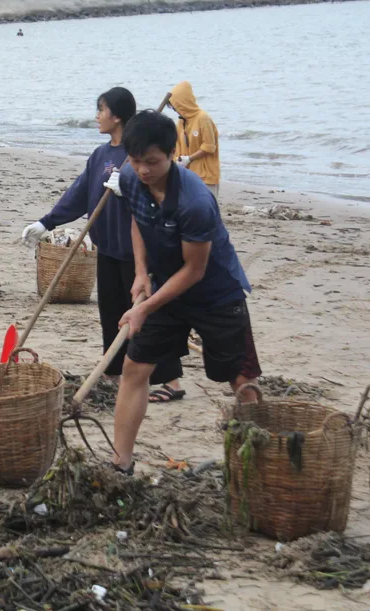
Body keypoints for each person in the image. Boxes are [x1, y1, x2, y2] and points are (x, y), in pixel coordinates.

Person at [104, 110, 261, 474]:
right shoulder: (130, 178)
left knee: (237, 375)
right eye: (136, 160)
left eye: (153, 162)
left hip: (215, 293)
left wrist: (144, 308)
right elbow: (138, 222)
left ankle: (257, 461)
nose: (143, 170)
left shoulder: (195, 202)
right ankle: (120, 462)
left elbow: (195, 270)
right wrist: (142, 273)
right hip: (164, 288)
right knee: (134, 367)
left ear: (173, 154)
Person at [22, 88, 183, 403]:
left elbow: (162, 198)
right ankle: (113, 371)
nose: (97, 115)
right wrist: (46, 222)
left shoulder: (138, 156)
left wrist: (130, 189)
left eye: (101, 109)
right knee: (110, 313)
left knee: (145, 313)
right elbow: (80, 194)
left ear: (118, 116)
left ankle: (171, 381)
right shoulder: (100, 156)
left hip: (138, 253)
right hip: (106, 247)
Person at [168, 81, 220, 198]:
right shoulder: (181, 122)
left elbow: (209, 146)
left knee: (206, 210)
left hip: (206, 176)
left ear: (183, 102)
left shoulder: (203, 118)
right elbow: (177, 145)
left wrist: (189, 158)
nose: (175, 109)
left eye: (176, 105)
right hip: (188, 175)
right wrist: (178, 160)